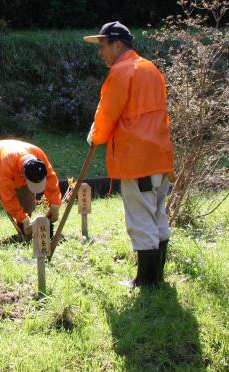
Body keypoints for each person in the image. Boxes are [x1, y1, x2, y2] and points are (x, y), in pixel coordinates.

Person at [83, 21, 174, 287]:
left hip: (137, 160)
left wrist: (95, 136)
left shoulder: (122, 72)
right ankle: (157, 278)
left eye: (103, 46)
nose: (101, 52)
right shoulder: (151, 68)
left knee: (140, 218)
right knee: (157, 215)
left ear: (117, 44)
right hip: (160, 155)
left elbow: (107, 114)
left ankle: (146, 282)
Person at [0, 139, 62, 243]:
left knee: (27, 192)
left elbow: (51, 178)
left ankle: (25, 233)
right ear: (23, 174)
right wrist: (22, 218)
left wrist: (55, 205)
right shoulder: (6, 164)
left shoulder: (39, 156)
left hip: (10, 161)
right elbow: (8, 197)